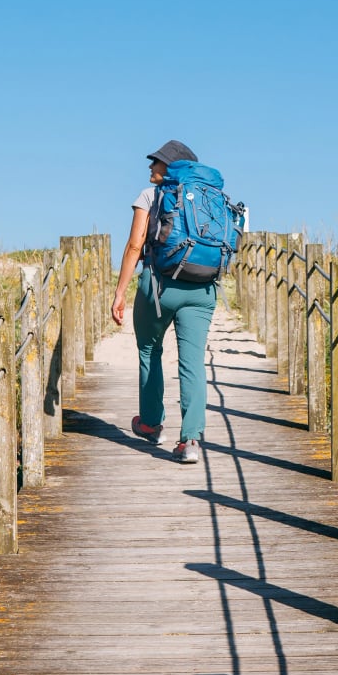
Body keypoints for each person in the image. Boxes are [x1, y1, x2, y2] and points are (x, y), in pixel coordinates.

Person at [112, 139, 220, 465]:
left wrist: (120, 292)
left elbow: (134, 246)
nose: (150, 167)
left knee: (149, 349)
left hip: (159, 285)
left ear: (171, 167)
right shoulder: (208, 198)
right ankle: (190, 441)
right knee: (192, 362)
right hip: (202, 289)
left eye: (156, 162)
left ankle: (150, 423)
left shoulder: (150, 196)